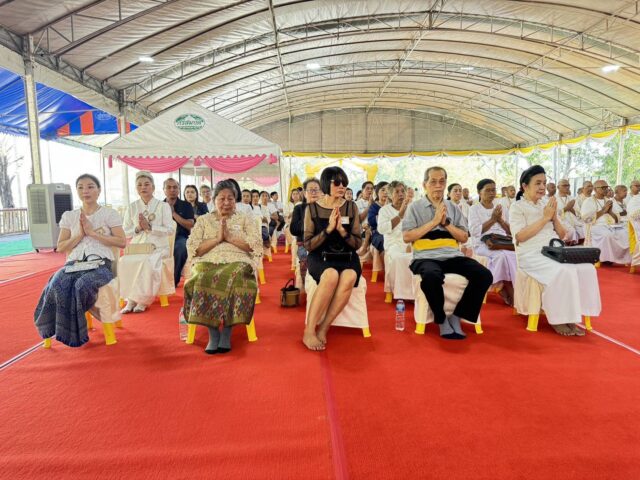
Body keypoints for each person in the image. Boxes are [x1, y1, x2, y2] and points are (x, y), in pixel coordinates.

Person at [34, 174, 126, 347]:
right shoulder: (69, 216)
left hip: (101, 264)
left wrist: (93, 233)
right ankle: (55, 329)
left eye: (90, 186)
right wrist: (79, 235)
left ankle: (75, 332)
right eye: (81, 187)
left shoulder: (109, 214)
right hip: (74, 264)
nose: (85, 191)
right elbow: (61, 246)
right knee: (56, 283)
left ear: (99, 190)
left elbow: (122, 242)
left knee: (81, 285)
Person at [509, 165, 601, 336]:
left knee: (587, 269)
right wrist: (545, 218)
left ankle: (573, 315)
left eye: (544, 183)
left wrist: (554, 218)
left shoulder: (547, 203)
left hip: (555, 249)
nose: (542, 187)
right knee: (564, 271)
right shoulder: (517, 207)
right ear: (525, 186)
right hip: (531, 253)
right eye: (538, 183)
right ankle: (558, 318)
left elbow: (563, 234)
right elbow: (520, 237)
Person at [402, 167, 492, 340]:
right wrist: (434, 222)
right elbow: (407, 237)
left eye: (441, 181)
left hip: (453, 256)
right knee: (431, 276)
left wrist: (446, 224)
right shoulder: (414, 207)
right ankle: (441, 319)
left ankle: (457, 316)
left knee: (484, 275)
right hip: (425, 257)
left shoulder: (452, 207)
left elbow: (464, 236)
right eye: (433, 181)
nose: (438, 185)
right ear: (424, 184)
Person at [184, 180, 261, 354]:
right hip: (208, 259)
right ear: (214, 200)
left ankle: (227, 331)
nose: (226, 202)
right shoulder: (203, 220)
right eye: (221, 198)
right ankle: (213, 332)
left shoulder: (245, 219)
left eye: (230, 198)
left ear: (235, 200)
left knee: (236, 276)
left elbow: (254, 245)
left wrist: (230, 238)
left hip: (238, 259)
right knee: (201, 276)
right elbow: (195, 249)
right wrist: (217, 239)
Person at [303, 167, 363, 351]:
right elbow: (308, 244)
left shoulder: (351, 207)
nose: (342, 186)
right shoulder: (312, 208)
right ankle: (309, 331)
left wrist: (342, 230)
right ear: (326, 183)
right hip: (320, 255)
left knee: (350, 276)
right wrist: (329, 229)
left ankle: (324, 328)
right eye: (337, 182)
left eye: (344, 182)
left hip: (347, 255)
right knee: (330, 275)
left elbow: (357, 243)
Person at [120, 171, 175, 313]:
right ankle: (130, 300)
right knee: (124, 261)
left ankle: (141, 301)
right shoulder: (132, 207)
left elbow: (170, 229)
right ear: (136, 189)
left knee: (146, 261)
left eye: (146, 184)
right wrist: (138, 228)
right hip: (137, 247)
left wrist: (150, 228)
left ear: (153, 187)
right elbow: (125, 231)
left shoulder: (163, 206)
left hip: (158, 247)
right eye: (139, 185)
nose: (143, 187)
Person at [468, 179, 516, 306]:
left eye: (493, 190)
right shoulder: (474, 209)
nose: (491, 193)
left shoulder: (501, 207)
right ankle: (508, 290)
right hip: (483, 243)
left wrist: (500, 220)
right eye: (488, 190)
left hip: (503, 242)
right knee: (501, 256)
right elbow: (475, 231)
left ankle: (500, 285)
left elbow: (510, 231)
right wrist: (493, 219)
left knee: (513, 255)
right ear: (479, 192)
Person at [580, 179, 630, 264]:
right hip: (595, 226)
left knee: (625, 233)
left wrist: (610, 212)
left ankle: (619, 258)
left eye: (607, 187)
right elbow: (586, 219)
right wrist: (603, 210)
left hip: (611, 225)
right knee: (607, 234)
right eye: (603, 187)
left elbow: (617, 218)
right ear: (595, 189)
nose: (606, 189)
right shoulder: (588, 201)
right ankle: (605, 259)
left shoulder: (609, 201)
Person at [290, 178, 322, 287]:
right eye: (310, 190)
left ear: (321, 192)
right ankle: (306, 286)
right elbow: (294, 229)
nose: (314, 192)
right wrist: (309, 218)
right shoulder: (299, 208)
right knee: (305, 260)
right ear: (304, 193)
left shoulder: (325, 208)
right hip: (304, 244)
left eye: (316, 189)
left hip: (322, 244)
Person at [163, 178, 195, 287]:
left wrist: (173, 213)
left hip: (180, 237)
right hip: (162, 237)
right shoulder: (159, 205)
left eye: (175, 187)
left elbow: (190, 224)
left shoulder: (186, 205)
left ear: (179, 189)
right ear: (164, 190)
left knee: (180, 247)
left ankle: (172, 281)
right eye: (169, 187)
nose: (172, 190)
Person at [377, 181, 412, 262]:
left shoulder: (411, 208)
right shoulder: (384, 210)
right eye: (397, 192)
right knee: (398, 257)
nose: (401, 194)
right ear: (390, 195)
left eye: (403, 191)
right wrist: (399, 215)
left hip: (410, 243)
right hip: (393, 246)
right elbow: (381, 229)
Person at [555, 178, 584, 243]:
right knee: (571, 231)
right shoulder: (554, 199)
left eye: (568, 185)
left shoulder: (572, 198)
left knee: (585, 229)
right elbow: (554, 215)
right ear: (558, 187)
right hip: (562, 221)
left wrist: (571, 209)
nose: (567, 187)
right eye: (564, 185)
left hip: (575, 221)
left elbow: (578, 213)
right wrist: (566, 208)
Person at [368, 181, 389, 253]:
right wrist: (384, 209)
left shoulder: (393, 205)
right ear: (377, 193)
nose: (386, 192)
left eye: (388, 190)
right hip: (378, 233)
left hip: (391, 232)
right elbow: (371, 221)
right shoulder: (374, 206)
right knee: (383, 240)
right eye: (383, 190)